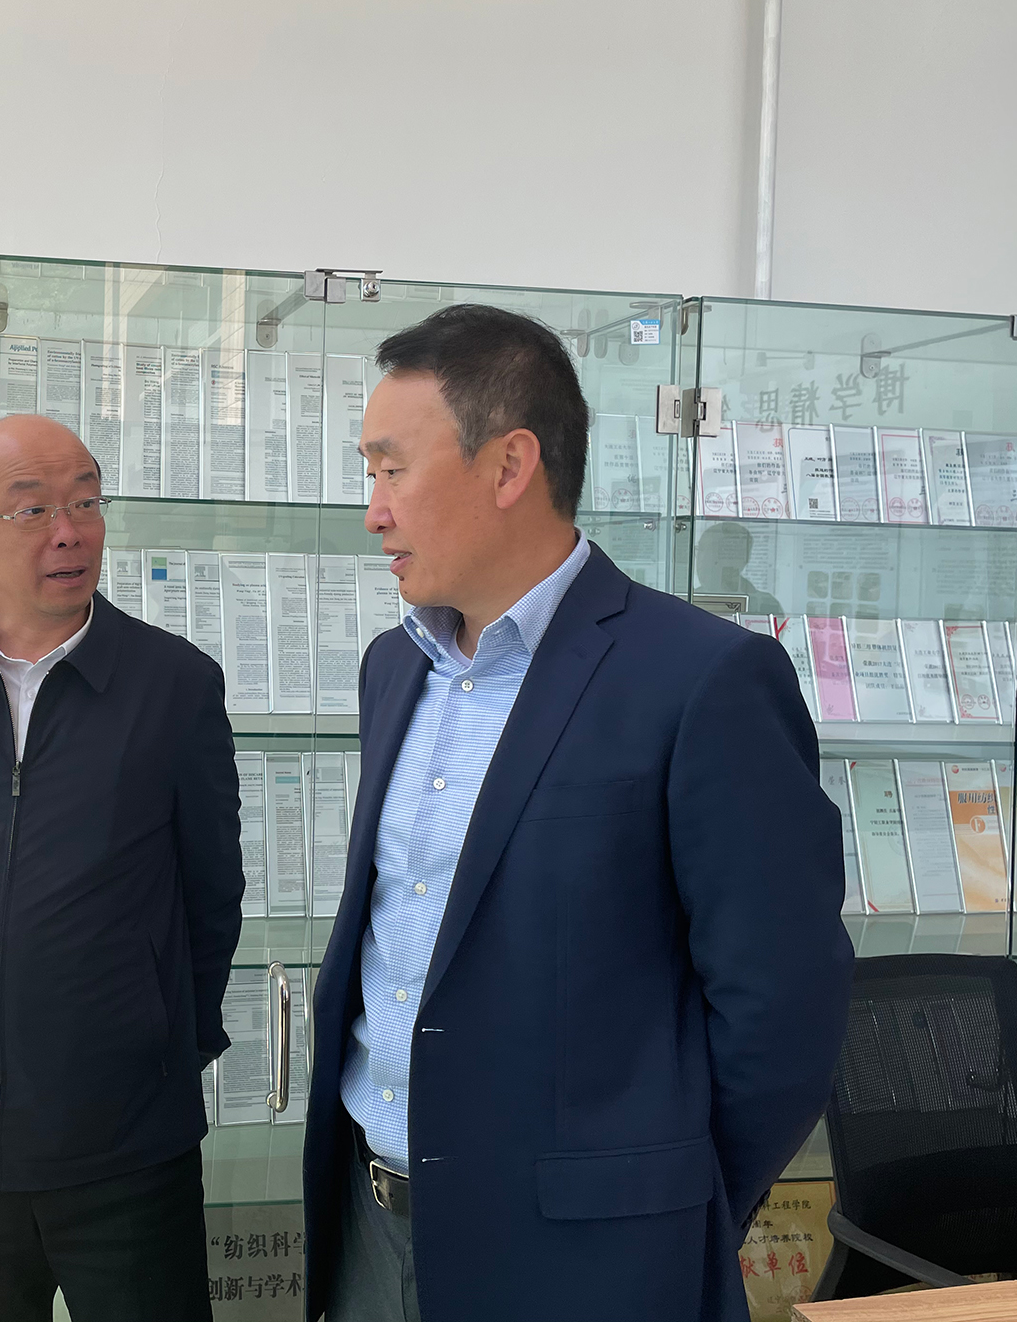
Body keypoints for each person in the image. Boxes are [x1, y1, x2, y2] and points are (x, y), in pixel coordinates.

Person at [303, 305, 854, 1322]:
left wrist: (668, 1216)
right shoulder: (395, 668)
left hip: (587, 1264)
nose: (373, 511)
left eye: (391, 470)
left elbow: (783, 1011)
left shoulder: (701, 680)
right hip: (371, 1232)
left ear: (510, 466)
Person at [0, 414, 244, 1322]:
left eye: (86, 503)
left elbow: (210, 897)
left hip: (126, 1141)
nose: (70, 532)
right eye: (32, 509)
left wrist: (154, 1039)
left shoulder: (175, 685)